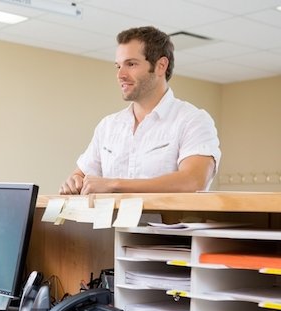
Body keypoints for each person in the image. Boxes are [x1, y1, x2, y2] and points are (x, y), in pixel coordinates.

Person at [60, 26, 221, 195]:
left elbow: (193, 181)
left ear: (161, 66)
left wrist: (114, 185)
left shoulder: (192, 120)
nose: (120, 75)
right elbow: (81, 174)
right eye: (118, 66)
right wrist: (74, 181)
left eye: (131, 64)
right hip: (109, 222)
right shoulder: (108, 126)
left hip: (167, 222)